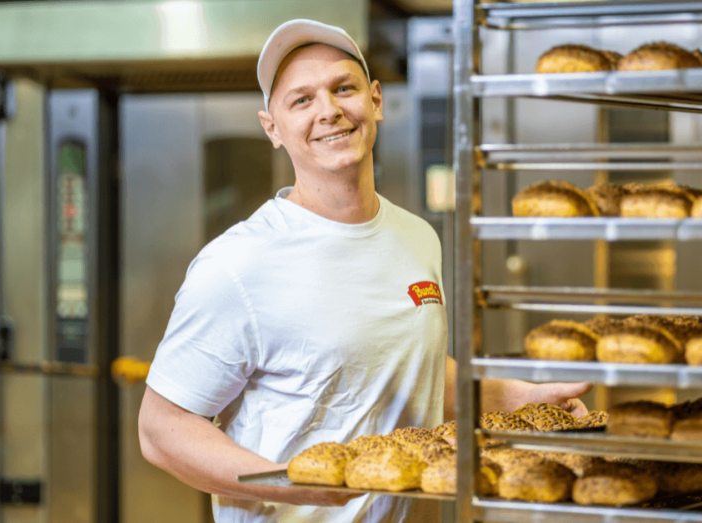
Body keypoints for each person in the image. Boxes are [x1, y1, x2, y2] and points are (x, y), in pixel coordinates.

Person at [137, 19, 593, 523]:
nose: (329, 111)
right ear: (273, 128)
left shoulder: (417, 236)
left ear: (375, 100)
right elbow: (162, 430)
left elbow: (403, 371)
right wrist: (290, 483)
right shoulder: (238, 265)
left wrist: (519, 398)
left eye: (343, 88)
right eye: (302, 100)